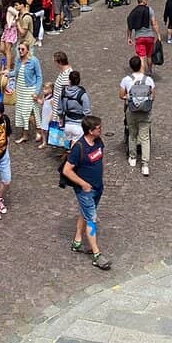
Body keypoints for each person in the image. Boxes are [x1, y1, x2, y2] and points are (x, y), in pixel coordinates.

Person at [62, 115, 111, 270]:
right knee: (91, 218)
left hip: (98, 187)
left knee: (85, 213)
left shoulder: (98, 142)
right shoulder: (79, 147)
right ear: (90, 131)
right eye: (98, 128)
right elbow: (67, 170)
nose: (101, 130)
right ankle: (97, 254)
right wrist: (83, 184)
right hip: (86, 191)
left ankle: (77, 242)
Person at [120, 55, 155, 176]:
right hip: (145, 111)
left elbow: (121, 95)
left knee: (132, 134)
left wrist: (131, 98)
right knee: (145, 137)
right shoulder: (149, 80)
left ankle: (133, 158)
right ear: (141, 66)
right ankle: (145, 164)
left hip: (132, 110)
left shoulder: (126, 80)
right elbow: (153, 96)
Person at [5, 41, 42, 144]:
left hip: (29, 89)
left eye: (22, 49)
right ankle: (25, 135)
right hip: (20, 89)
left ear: (27, 50)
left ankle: (38, 131)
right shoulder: (18, 60)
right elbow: (16, 72)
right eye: (19, 49)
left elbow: (39, 76)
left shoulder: (34, 61)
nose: (20, 51)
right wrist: (7, 74)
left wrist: (36, 92)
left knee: (29, 113)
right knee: (21, 113)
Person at [126, 0, 159, 77]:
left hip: (139, 37)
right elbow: (154, 23)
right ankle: (150, 71)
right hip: (150, 36)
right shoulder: (149, 10)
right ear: (143, 0)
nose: (147, 0)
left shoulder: (134, 11)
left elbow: (129, 26)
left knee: (141, 57)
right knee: (149, 56)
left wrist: (129, 37)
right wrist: (158, 34)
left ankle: (142, 73)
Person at [57, 69, 90, 145]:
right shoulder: (82, 94)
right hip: (79, 125)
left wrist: (61, 120)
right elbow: (87, 112)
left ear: (69, 80)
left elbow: (59, 110)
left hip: (67, 125)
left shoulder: (63, 92)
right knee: (76, 148)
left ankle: (67, 155)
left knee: (67, 145)